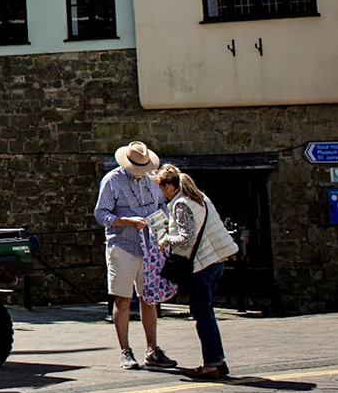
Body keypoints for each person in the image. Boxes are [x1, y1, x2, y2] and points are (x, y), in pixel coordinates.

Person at [94, 140, 176, 370]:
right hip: (123, 246)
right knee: (121, 297)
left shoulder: (151, 178)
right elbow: (101, 214)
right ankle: (125, 351)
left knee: (149, 297)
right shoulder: (112, 181)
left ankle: (152, 349)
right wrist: (125, 221)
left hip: (150, 246)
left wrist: (163, 224)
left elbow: (162, 206)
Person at [153, 164, 240, 379]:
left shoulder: (181, 204)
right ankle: (218, 360)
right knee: (207, 313)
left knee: (202, 315)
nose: (162, 193)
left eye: (162, 187)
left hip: (201, 264)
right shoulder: (201, 198)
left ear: (170, 186)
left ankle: (211, 363)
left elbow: (187, 238)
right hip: (216, 259)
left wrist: (166, 239)